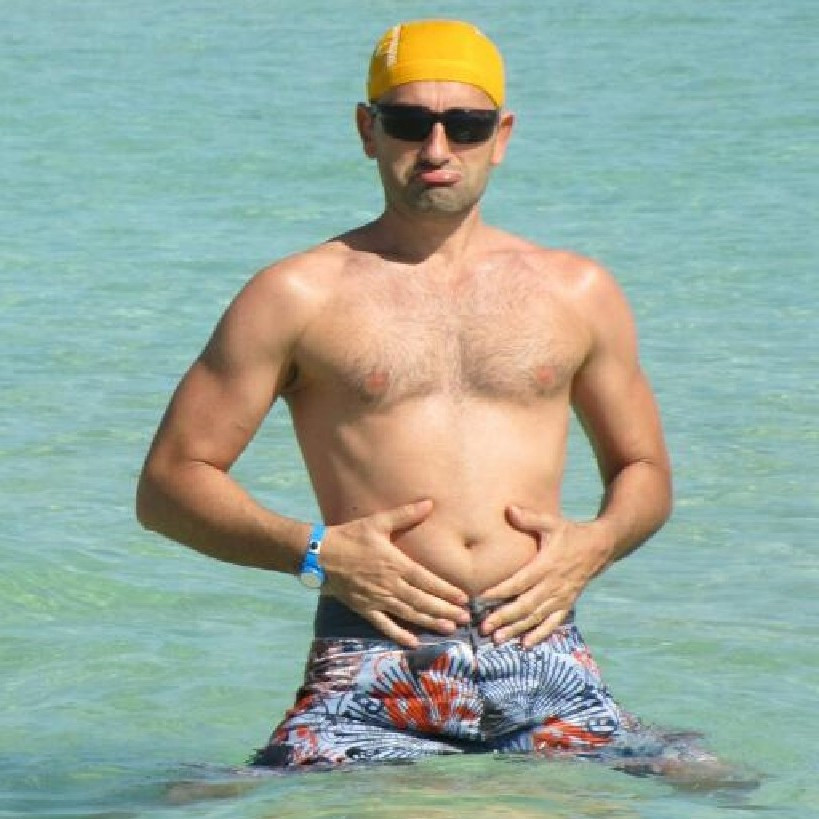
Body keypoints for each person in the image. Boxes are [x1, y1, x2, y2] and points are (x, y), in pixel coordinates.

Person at [137, 19, 709, 773]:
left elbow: (644, 469)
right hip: (375, 657)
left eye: (465, 125)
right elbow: (169, 484)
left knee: (717, 787)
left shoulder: (578, 291)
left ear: (501, 136)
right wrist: (315, 552)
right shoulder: (296, 294)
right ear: (366, 130)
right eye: (409, 123)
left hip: (543, 652)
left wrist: (594, 545)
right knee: (199, 802)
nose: (437, 149)